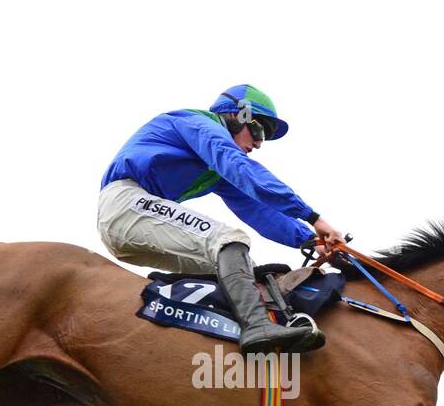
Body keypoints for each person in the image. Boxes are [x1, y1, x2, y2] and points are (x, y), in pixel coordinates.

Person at [98, 85, 346, 354]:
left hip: (137, 220)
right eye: (260, 130)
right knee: (230, 240)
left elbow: (258, 210)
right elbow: (239, 166)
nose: (260, 143)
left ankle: (221, 339)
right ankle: (256, 326)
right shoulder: (197, 123)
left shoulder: (216, 169)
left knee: (244, 272)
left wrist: (310, 240)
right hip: (126, 205)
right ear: (238, 115)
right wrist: (313, 217)